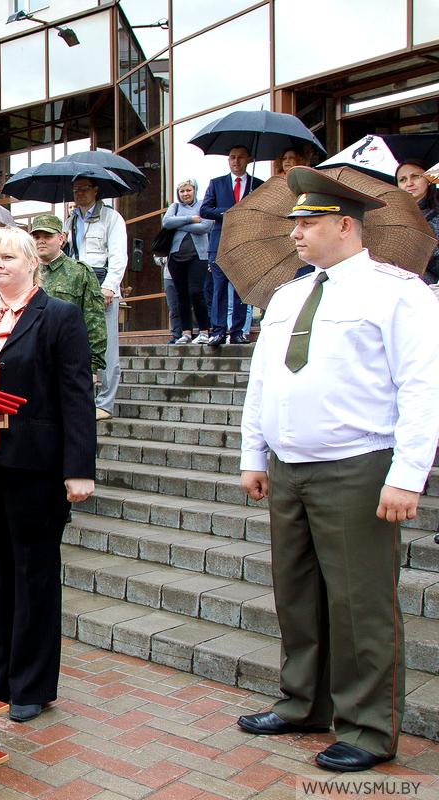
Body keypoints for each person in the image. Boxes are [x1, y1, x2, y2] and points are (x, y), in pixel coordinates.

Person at [237, 167, 439, 773]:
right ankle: (303, 702)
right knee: (297, 595)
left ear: (346, 225)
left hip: (357, 466)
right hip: (289, 466)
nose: (295, 233)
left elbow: (422, 385)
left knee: (359, 602)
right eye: (294, 222)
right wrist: (253, 453)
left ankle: (369, 728)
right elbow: (262, 381)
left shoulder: (397, 291)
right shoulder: (288, 296)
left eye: (308, 223)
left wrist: (407, 474)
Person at [0, 226, 96, 723]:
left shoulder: (59, 316)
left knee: (33, 573)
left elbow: (76, 394)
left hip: (35, 465)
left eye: (8, 256)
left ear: (33, 262)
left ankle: (30, 684)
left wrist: (79, 469)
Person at [64, 176, 127, 421]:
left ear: (96, 190)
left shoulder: (111, 218)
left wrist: (110, 287)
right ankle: (83, 397)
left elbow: (119, 255)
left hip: (102, 284)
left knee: (107, 345)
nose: (79, 193)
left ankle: (106, 403)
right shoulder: (70, 221)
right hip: (77, 285)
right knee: (79, 343)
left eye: (84, 189)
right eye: (75, 189)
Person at [201, 145, 263, 346]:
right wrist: (229, 212)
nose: (236, 161)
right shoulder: (217, 183)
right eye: (232, 157)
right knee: (219, 289)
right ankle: (218, 331)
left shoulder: (257, 185)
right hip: (220, 245)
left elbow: (262, 213)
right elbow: (205, 210)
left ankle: (237, 332)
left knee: (239, 290)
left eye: (240, 157)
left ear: (249, 160)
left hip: (243, 245)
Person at [30, 214, 107, 372]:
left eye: (47, 236)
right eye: (36, 237)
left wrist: (93, 366)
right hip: (32, 360)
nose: (41, 241)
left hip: (69, 360)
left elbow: (94, 321)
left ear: (61, 239)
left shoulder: (80, 272)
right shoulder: (26, 272)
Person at [161, 180, 214, 344]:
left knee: (196, 293)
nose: (185, 194)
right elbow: (166, 222)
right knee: (181, 296)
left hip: (198, 257)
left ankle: (204, 331)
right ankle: (186, 333)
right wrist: (191, 219)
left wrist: (178, 224)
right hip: (176, 257)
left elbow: (205, 227)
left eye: (188, 190)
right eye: (182, 191)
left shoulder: (203, 205)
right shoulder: (175, 207)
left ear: (194, 190)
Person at [395, 159, 439, 284]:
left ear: (428, 179)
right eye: (402, 180)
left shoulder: (436, 214)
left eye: (415, 176)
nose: (409, 183)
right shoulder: (395, 215)